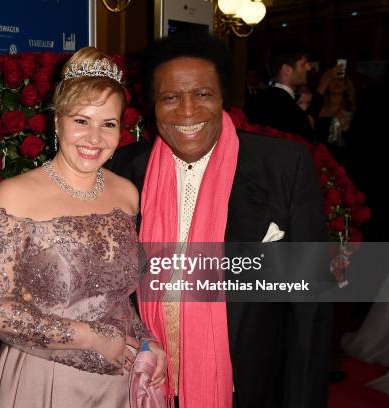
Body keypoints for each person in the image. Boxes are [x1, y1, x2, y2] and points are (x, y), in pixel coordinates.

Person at [107, 34, 331, 408]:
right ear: (153, 105)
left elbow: (311, 309)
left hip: (246, 386)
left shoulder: (283, 166)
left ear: (223, 97)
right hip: (149, 384)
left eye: (203, 94)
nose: (188, 110)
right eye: (171, 97)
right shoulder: (127, 168)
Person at [0, 47, 166, 408]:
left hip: (118, 383)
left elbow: (118, 297)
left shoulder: (126, 193)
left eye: (108, 124)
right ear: (56, 120)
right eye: (81, 121)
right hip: (43, 378)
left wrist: (144, 340)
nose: (95, 138)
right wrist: (89, 338)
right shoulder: (14, 195)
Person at [245, 41, 317, 142]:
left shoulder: (265, 97)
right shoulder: (284, 106)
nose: (309, 67)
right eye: (303, 64)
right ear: (286, 70)